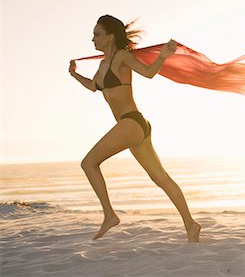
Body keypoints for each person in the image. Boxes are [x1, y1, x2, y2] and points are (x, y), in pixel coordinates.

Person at [68, 15, 201, 242]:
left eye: (97, 34)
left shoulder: (122, 57)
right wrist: (74, 74)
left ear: (110, 37)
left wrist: (162, 57)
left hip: (131, 122)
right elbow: (93, 86)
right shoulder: (102, 65)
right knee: (160, 178)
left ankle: (109, 215)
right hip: (134, 127)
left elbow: (148, 73)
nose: (93, 39)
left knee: (88, 163)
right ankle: (191, 224)